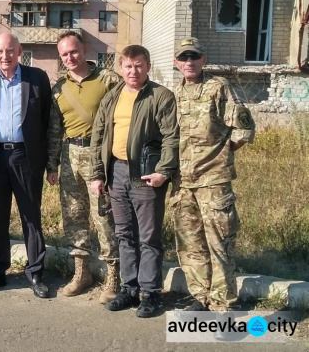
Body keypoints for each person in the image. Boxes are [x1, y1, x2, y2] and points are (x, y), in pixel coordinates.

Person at [89, 45, 179, 318]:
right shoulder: (112, 97)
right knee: (124, 235)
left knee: (149, 238)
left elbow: (171, 137)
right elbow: (99, 134)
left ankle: (151, 294)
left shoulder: (160, 96)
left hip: (146, 174)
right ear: (120, 67)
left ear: (148, 66)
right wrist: (97, 174)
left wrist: (163, 171)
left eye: (139, 65)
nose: (133, 71)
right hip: (116, 173)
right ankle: (129, 289)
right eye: (128, 65)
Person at [171, 37, 255, 311]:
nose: (189, 62)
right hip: (184, 183)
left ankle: (223, 304)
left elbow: (244, 127)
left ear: (203, 60)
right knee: (191, 244)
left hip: (214, 182)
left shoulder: (218, 87)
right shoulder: (175, 93)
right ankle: (201, 296)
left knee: (220, 245)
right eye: (183, 57)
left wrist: (223, 153)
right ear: (176, 63)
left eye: (194, 56)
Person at [46, 31, 121, 302]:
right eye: (64, 54)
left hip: (99, 154)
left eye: (74, 51)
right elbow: (55, 130)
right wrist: (51, 165)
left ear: (84, 49)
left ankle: (113, 275)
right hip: (69, 155)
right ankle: (82, 273)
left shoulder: (109, 79)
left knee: (104, 215)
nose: (70, 57)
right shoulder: (59, 88)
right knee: (74, 216)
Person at [0, 33, 51, 299]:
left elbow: (46, 120)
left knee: (31, 216)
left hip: (25, 156)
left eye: (10, 51)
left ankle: (35, 272)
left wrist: (48, 161)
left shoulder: (37, 78)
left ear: (19, 51)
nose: (5, 56)